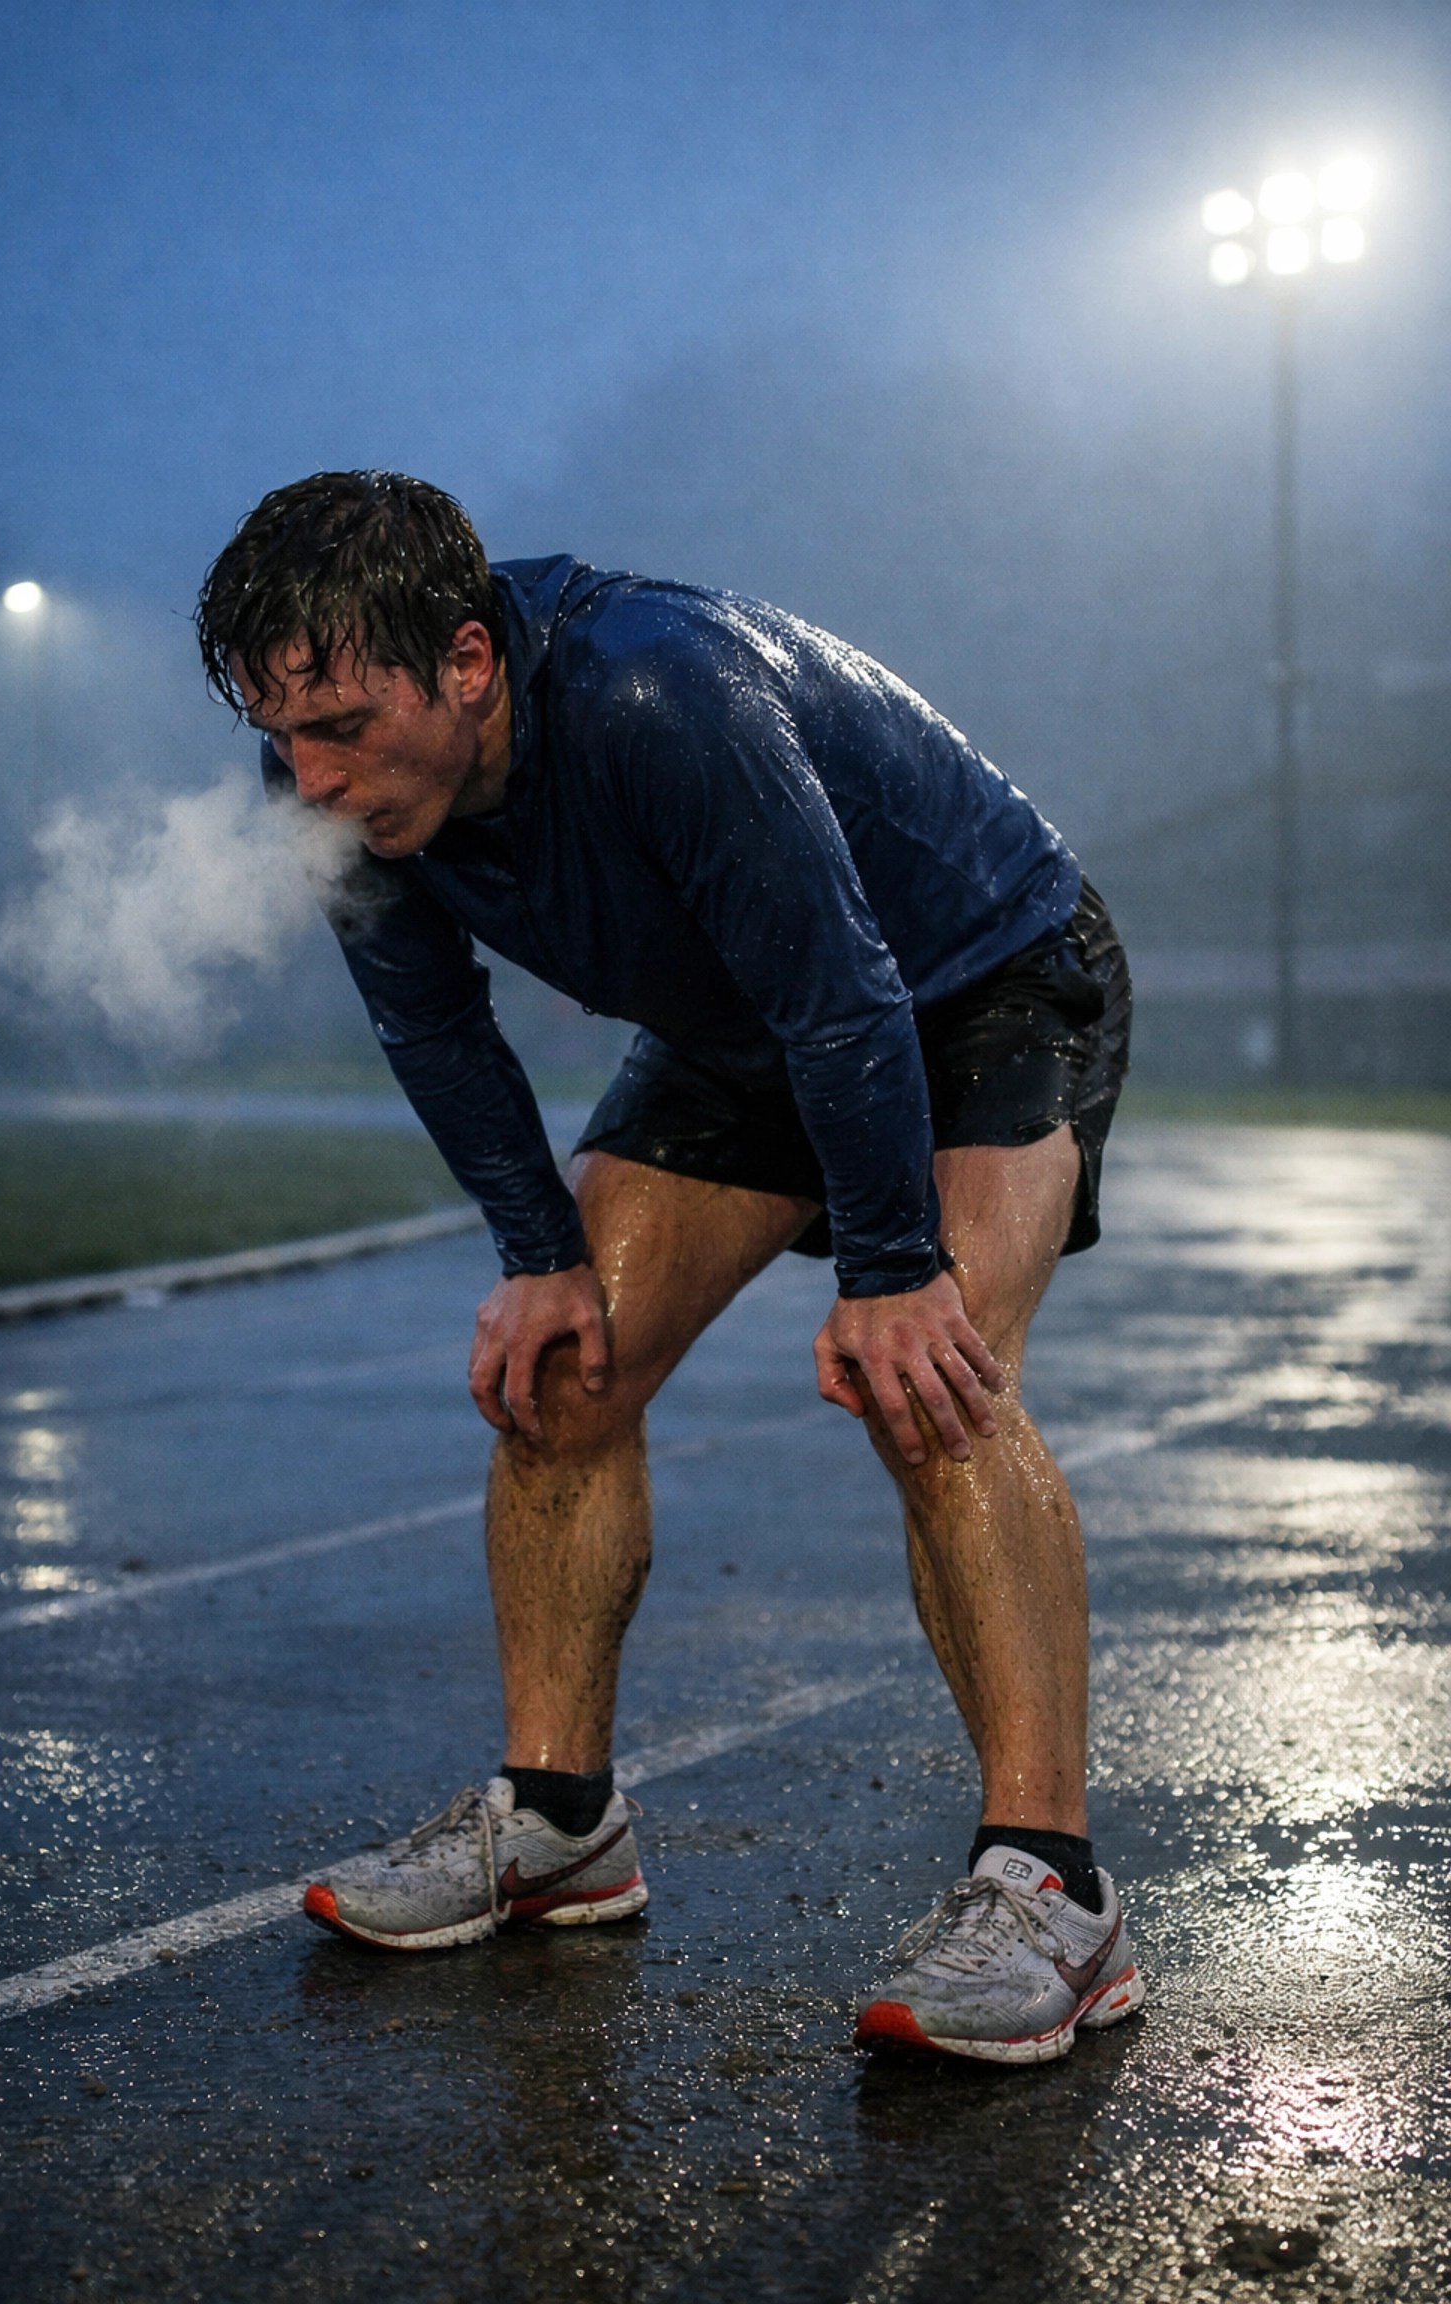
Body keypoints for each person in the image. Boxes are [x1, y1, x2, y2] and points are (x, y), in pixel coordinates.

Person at [196, 470, 1143, 2064]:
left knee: (935, 1387)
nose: (312, 782)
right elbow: (431, 1021)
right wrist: (538, 1256)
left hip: (978, 983)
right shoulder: (332, 783)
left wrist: (891, 1269)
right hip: (749, 1019)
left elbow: (849, 996)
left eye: (345, 727)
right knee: (563, 1370)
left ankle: (1056, 1891)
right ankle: (560, 1820)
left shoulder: (660, 694)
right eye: (281, 738)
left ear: (470, 661)